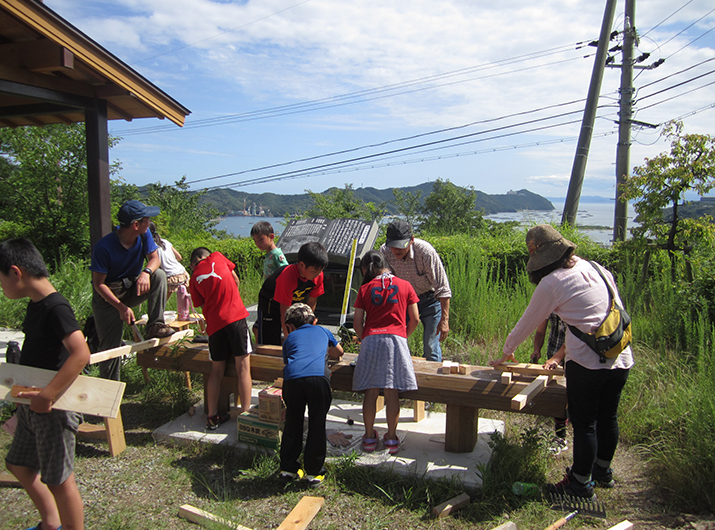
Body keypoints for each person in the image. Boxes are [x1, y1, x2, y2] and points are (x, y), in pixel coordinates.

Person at [490, 224, 633, 499]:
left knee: (584, 422)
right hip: (621, 355)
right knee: (608, 416)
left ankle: (580, 483)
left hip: (588, 362)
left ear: (540, 260)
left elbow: (527, 323)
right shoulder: (595, 267)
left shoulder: (553, 282)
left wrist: (507, 351)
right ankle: (602, 472)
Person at [1, 238, 90, 530]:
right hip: (32, 405)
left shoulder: (56, 307)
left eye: (0, 281)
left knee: (60, 481)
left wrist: (49, 394)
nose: (1, 288)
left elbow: (81, 353)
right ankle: (51, 524)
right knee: (19, 466)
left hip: (54, 408)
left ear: (16, 272)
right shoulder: (36, 305)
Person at [89, 200, 174, 380]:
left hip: (132, 286)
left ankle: (155, 325)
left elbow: (155, 259)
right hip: (108, 296)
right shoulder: (104, 247)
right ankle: (111, 392)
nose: (149, 223)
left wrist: (146, 272)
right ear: (136, 224)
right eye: (146, 220)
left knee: (158, 275)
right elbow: (99, 284)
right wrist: (121, 307)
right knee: (110, 349)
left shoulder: (144, 235)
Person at [352, 250, 420, 454]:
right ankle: (391, 439)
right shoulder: (405, 285)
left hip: (371, 339)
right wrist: (402, 337)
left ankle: (369, 437)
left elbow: (357, 323)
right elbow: (415, 318)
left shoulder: (365, 288)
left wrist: (366, 338)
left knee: (371, 392)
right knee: (392, 392)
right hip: (396, 340)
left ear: (366, 269)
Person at [279, 303, 343, 487]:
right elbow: (339, 352)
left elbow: (291, 361)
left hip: (293, 381)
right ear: (314, 321)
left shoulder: (289, 339)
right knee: (317, 423)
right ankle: (314, 473)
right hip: (318, 379)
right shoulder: (322, 331)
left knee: (293, 421)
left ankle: (288, 469)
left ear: (289, 326)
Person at [189, 247, 253, 430]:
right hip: (235, 318)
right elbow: (235, 279)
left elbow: (199, 303)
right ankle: (246, 413)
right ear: (206, 255)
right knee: (243, 367)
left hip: (215, 325)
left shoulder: (194, 278)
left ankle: (211, 415)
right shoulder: (217, 256)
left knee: (216, 370)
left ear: (193, 264)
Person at [380, 220, 451, 362]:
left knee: (431, 346)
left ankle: (432, 382)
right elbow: (383, 281)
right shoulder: (385, 251)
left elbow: (442, 288)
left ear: (411, 240)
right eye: (393, 246)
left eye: (401, 245)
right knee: (394, 340)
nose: (397, 250)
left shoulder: (425, 252)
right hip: (402, 301)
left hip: (430, 300)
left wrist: (444, 320)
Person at [257, 241, 328, 345]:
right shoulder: (288, 276)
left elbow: (311, 303)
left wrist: (308, 325)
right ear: (302, 265)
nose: (317, 274)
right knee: (270, 340)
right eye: (314, 271)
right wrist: (289, 340)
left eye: (320, 270)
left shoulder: (318, 276)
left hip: (292, 303)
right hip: (270, 304)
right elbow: (284, 313)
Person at [531, 313, 569, 455]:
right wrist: (537, 350)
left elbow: (573, 338)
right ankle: (560, 437)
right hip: (553, 356)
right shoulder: (549, 303)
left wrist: (557, 358)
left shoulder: (572, 302)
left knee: (571, 396)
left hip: (573, 355)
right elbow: (541, 332)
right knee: (558, 397)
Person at [149, 222, 189, 300]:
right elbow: (179, 257)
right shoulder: (165, 242)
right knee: (187, 299)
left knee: (161, 301)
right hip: (183, 273)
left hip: (170, 276)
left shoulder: (150, 246)